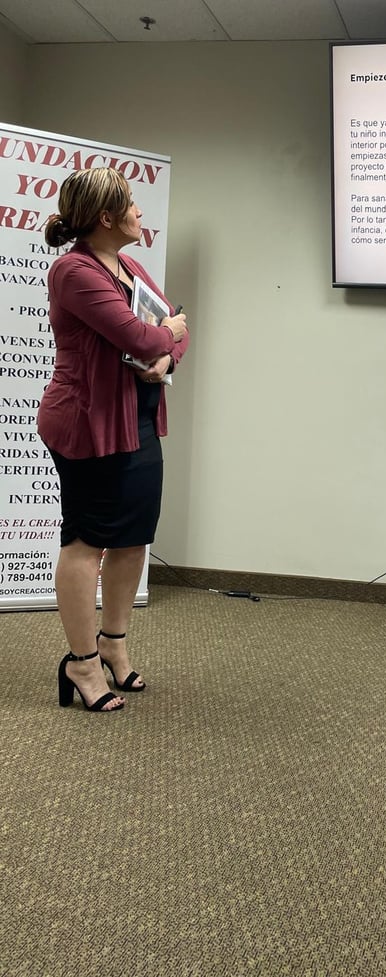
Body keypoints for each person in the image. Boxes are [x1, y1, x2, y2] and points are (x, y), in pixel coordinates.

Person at [37, 167, 189, 713]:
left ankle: (113, 645)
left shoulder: (129, 265)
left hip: (136, 420)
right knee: (88, 541)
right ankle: (81, 662)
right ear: (105, 217)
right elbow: (140, 334)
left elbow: (173, 330)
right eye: (130, 204)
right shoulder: (73, 271)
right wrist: (165, 337)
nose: (139, 212)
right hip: (87, 423)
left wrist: (168, 354)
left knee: (132, 538)